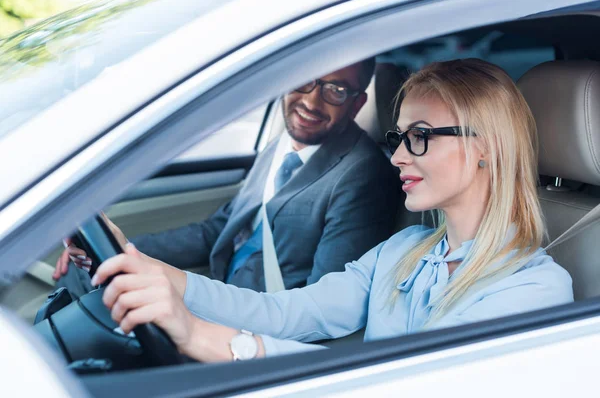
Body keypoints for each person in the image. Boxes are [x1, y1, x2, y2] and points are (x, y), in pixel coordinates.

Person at [86, 58, 575, 362]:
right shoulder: (402, 251)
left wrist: (203, 338)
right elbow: (286, 312)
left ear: (485, 145)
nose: (399, 156)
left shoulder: (534, 288)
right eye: (398, 137)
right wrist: (151, 272)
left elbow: (398, 383)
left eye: (420, 137)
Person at [53, 59, 401, 293]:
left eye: (336, 91)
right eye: (304, 79)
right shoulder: (283, 143)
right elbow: (219, 230)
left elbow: (321, 304)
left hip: (252, 329)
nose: (311, 101)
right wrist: (117, 250)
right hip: (221, 291)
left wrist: (192, 312)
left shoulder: (364, 176)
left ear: (357, 104)